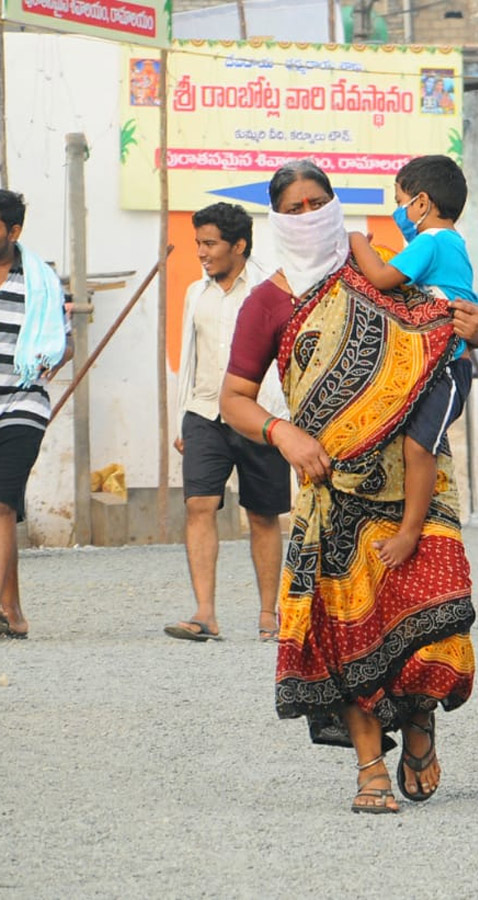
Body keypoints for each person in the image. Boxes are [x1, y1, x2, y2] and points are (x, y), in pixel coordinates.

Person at [219, 160, 478, 814]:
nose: (310, 214)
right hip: (331, 492)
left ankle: (420, 727)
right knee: (346, 629)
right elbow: (233, 398)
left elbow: (447, 342)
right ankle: (371, 765)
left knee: (430, 625)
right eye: (296, 206)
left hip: (419, 486)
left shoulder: (390, 276)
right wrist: (282, 434)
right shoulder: (269, 301)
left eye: (320, 201)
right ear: (278, 218)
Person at [165, 202, 291, 643]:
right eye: (199, 243)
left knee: (262, 514)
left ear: (238, 245)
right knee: (198, 505)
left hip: (260, 414)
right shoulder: (194, 294)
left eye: (210, 243)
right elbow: (189, 358)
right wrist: (182, 419)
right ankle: (205, 614)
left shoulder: (270, 291)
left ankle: (267, 614)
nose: (201, 251)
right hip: (204, 413)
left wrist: (286, 418)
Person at [347, 154, 478, 569]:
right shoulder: (449, 244)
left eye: (399, 199)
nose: (398, 209)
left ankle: (409, 532)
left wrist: (356, 243)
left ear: (422, 203)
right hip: (432, 366)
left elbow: (383, 278)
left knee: (419, 447)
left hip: (447, 368)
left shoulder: (432, 241)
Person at [0, 189, 73, 640]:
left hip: (23, 400)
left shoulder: (41, 283)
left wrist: (49, 358)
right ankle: (12, 608)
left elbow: (60, 343)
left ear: (14, 232)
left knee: (2, 502)